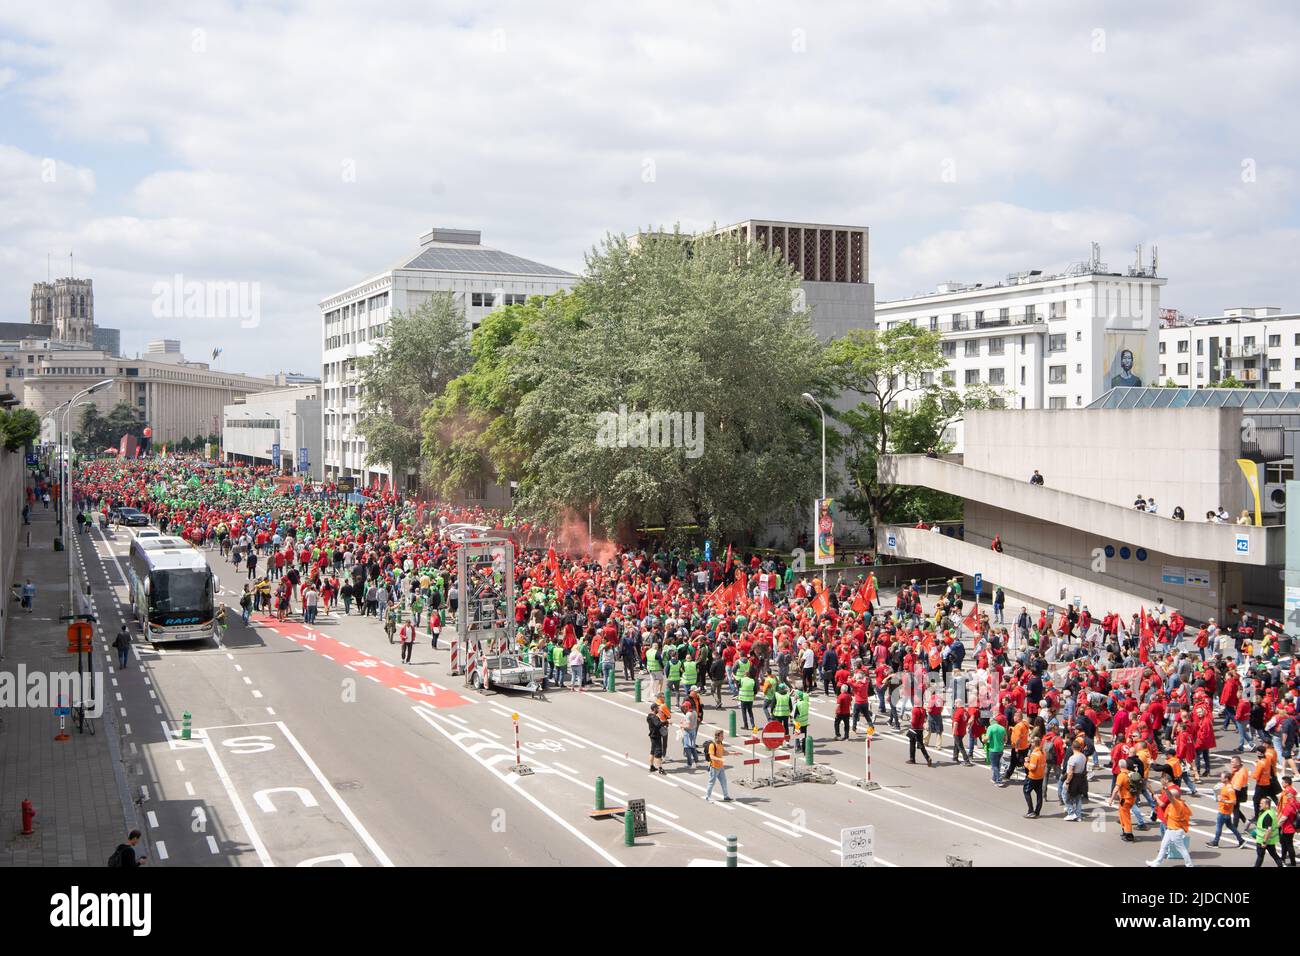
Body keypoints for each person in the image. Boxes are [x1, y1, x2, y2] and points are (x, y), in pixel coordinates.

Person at [1146, 785, 1194, 867]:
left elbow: (1170, 797)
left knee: (1181, 848)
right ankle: (1157, 863)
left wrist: (1166, 790)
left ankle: (1189, 865)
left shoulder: (1177, 804)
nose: (1167, 797)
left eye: (1169, 796)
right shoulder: (1175, 803)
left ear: (1173, 797)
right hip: (1170, 829)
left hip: (1176, 830)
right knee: (1163, 846)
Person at [1208, 771, 1246, 848]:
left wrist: (1223, 801)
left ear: (1226, 778)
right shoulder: (1225, 786)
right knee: (1230, 826)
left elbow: (1234, 801)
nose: (1220, 778)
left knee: (1219, 827)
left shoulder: (1229, 789)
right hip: (1225, 811)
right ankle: (1241, 840)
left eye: (1222, 777)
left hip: (1224, 811)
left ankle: (1215, 842)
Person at [1253, 796, 1284, 867]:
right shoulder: (1271, 811)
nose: (1260, 804)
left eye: (1262, 803)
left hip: (1264, 840)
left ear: (1267, 805)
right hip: (1270, 841)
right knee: (1274, 855)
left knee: (1260, 857)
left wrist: (1264, 842)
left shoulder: (1267, 816)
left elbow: (1268, 830)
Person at [703, 729, 733, 802]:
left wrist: (732, 753)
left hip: (721, 767)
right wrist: (720, 760)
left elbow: (723, 752)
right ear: (717, 737)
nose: (723, 737)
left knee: (724, 782)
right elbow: (711, 757)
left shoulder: (720, 744)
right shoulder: (712, 745)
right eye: (722, 736)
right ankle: (708, 797)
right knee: (711, 782)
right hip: (714, 767)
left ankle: (726, 796)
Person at [1023, 741, 1046, 818]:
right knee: (1039, 794)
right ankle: (1037, 811)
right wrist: (1030, 760)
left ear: (1034, 744)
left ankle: (1030, 811)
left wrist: (1026, 764)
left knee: (1026, 791)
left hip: (1033, 777)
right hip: (1040, 776)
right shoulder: (1043, 753)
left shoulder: (1034, 754)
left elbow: (1032, 767)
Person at [906, 702, 933, 767]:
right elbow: (924, 719)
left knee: (912, 743)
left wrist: (910, 720)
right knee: (921, 745)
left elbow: (914, 722)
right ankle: (927, 758)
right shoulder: (923, 709)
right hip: (920, 729)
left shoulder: (915, 710)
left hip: (914, 729)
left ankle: (912, 759)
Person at [647, 702, 668, 775]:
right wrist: (666, 722)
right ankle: (660, 768)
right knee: (658, 752)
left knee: (652, 751)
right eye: (657, 708)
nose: (658, 709)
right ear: (654, 709)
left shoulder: (649, 716)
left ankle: (651, 766)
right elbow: (658, 724)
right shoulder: (654, 717)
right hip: (656, 736)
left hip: (652, 735)